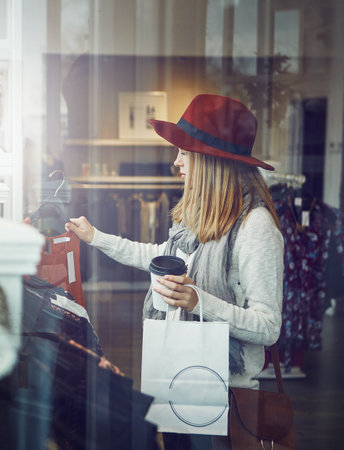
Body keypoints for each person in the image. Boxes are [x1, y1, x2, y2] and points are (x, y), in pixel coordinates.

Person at [65, 94, 284, 450]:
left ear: (211, 160)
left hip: (226, 395)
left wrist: (199, 301)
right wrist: (96, 237)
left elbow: (268, 326)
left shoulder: (255, 227)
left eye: (184, 152)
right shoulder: (199, 215)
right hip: (179, 378)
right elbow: (160, 257)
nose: (176, 161)